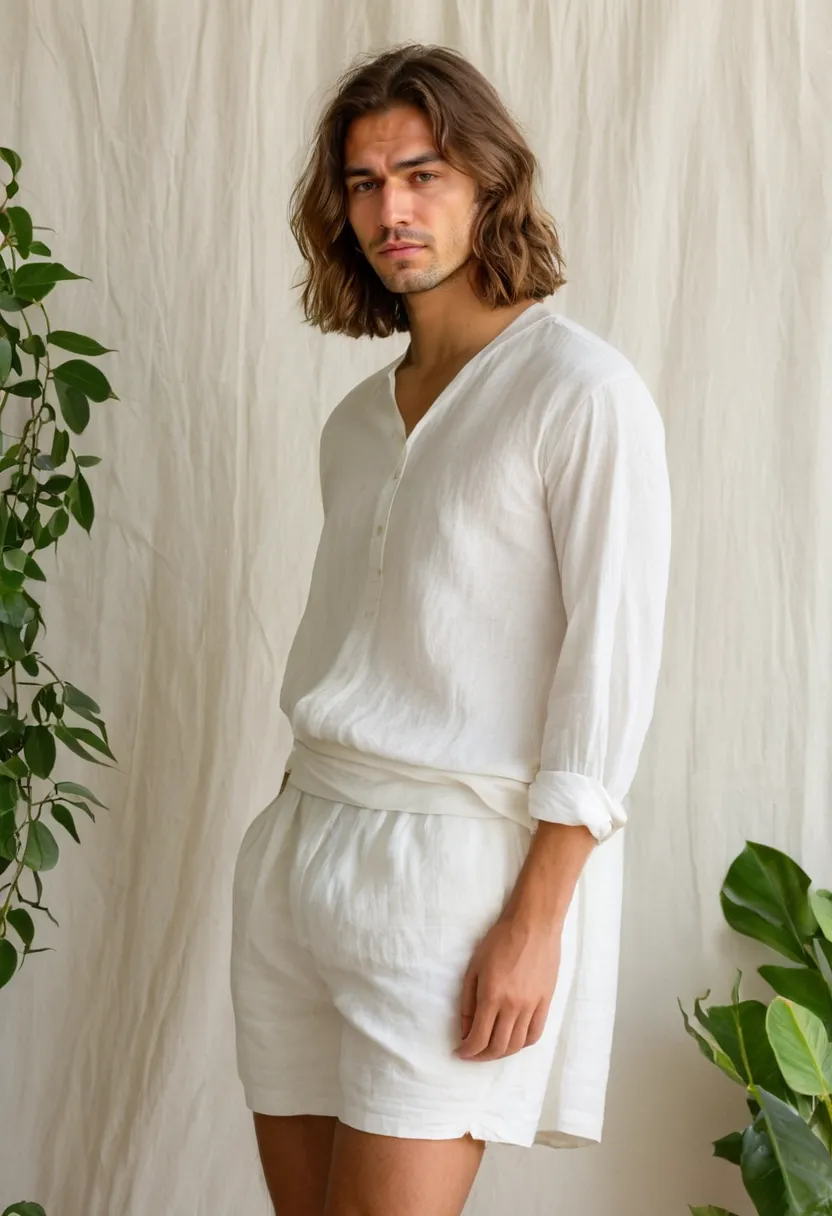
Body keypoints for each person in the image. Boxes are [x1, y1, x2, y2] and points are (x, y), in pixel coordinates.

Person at [230, 41, 672, 1216]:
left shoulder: (580, 394)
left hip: (451, 875)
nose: (393, 209)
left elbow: (609, 668)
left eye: (422, 174)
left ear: (486, 181)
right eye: (366, 183)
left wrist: (538, 919)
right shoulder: (354, 421)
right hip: (300, 847)